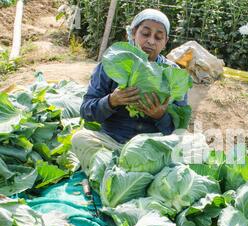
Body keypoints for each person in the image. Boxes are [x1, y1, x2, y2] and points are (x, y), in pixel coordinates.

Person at [71, 9, 188, 173]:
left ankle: (111, 171)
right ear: (134, 33)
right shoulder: (112, 63)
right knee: (80, 138)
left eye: (158, 37)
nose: (151, 41)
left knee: (194, 146)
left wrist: (160, 116)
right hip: (111, 142)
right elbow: (86, 111)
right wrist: (112, 101)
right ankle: (134, 173)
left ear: (165, 42)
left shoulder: (174, 75)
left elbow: (178, 130)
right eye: (145, 34)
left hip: (150, 148)